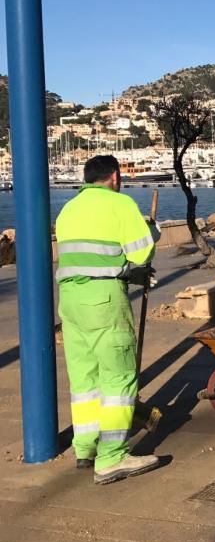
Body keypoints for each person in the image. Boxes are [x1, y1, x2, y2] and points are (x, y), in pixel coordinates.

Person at [55, 155, 161, 485]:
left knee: (85, 379)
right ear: (114, 177)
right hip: (104, 299)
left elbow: (89, 255)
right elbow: (141, 252)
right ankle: (112, 457)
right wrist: (151, 232)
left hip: (70, 301)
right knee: (119, 378)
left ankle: (84, 447)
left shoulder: (68, 210)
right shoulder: (120, 204)